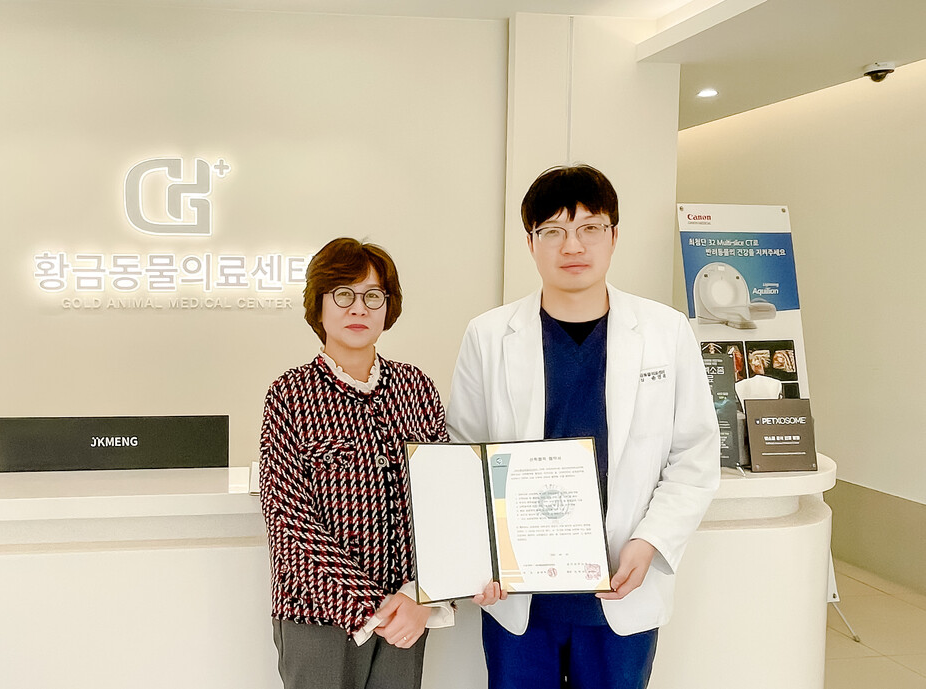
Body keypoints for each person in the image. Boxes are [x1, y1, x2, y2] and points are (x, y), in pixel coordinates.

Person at [447, 165, 720, 689]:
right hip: (520, 595)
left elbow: (695, 453)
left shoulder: (665, 331)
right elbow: (466, 455)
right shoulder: (488, 335)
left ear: (614, 236)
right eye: (553, 231)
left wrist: (651, 541)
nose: (572, 245)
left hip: (622, 580)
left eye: (589, 228)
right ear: (531, 243)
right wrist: (479, 557)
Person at [259, 237, 453, 689]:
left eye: (372, 296)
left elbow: (444, 501)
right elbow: (287, 519)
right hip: (316, 617)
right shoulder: (289, 394)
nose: (359, 308)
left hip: (407, 613)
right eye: (343, 294)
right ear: (319, 305)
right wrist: (368, 606)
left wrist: (421, 595)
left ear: (388, 306)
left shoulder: (417, 388)